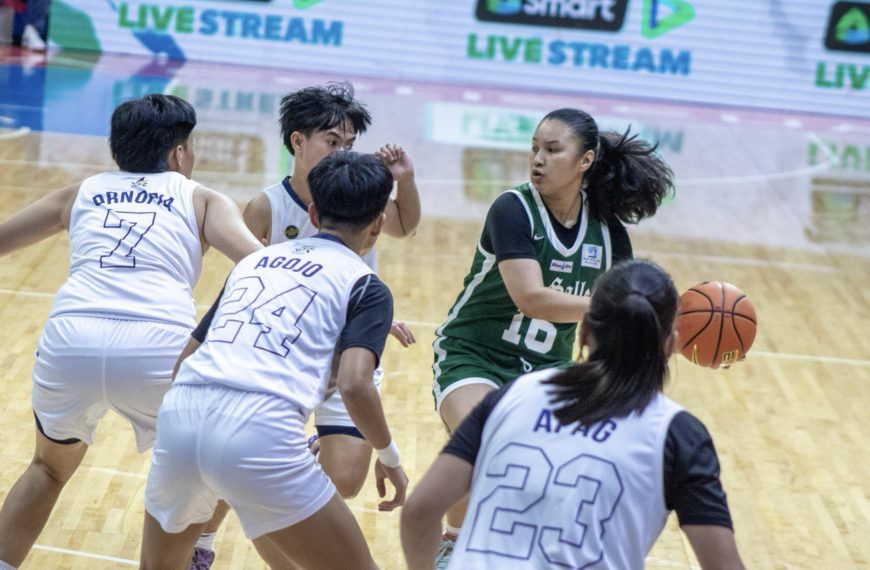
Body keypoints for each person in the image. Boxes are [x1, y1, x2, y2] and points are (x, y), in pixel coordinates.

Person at [0, 93, 263, 570]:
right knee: (194, 475)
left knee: (47, 468)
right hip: (160, 348)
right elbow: (262, 267)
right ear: (179, 153)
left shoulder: (80, 193)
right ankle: (193, 553)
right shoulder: (202, 197)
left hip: (70, 340)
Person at [188, 82, 420, 568]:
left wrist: (371, 315)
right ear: (297, 142)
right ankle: (204, 540)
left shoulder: (361, 193)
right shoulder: (266, 207)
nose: (341, 152)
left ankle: (295, 462)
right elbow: (245, 289)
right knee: (247, 461)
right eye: (332, 142)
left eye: (348, 145)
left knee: (347, 480)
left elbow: (403, 226)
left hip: (347, 355)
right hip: (283, 354)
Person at [140, 151, 409, 570]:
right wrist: (390, 458)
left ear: (315, 213)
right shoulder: (367, 286)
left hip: (181, 414)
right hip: (261, 430)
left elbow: (187, 357)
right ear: (379, 223)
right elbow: (357, 385)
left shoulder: (253, 263)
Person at [430, 107, 674, 566]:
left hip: (550, 370)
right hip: (475, 354)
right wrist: (614, 303)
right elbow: (531, 298)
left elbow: (611, 325)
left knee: (564, 471)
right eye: (534, 149)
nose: (537, 159)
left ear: (585, 161)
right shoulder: (513, 208)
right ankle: (452, 542)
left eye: (552, 150)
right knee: (485, 441)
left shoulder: (610, 235)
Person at [403, 260, 746, 570]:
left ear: (582, 331)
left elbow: (419, 511)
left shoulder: (514, 396)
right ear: (670, 346)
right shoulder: (678, 434)